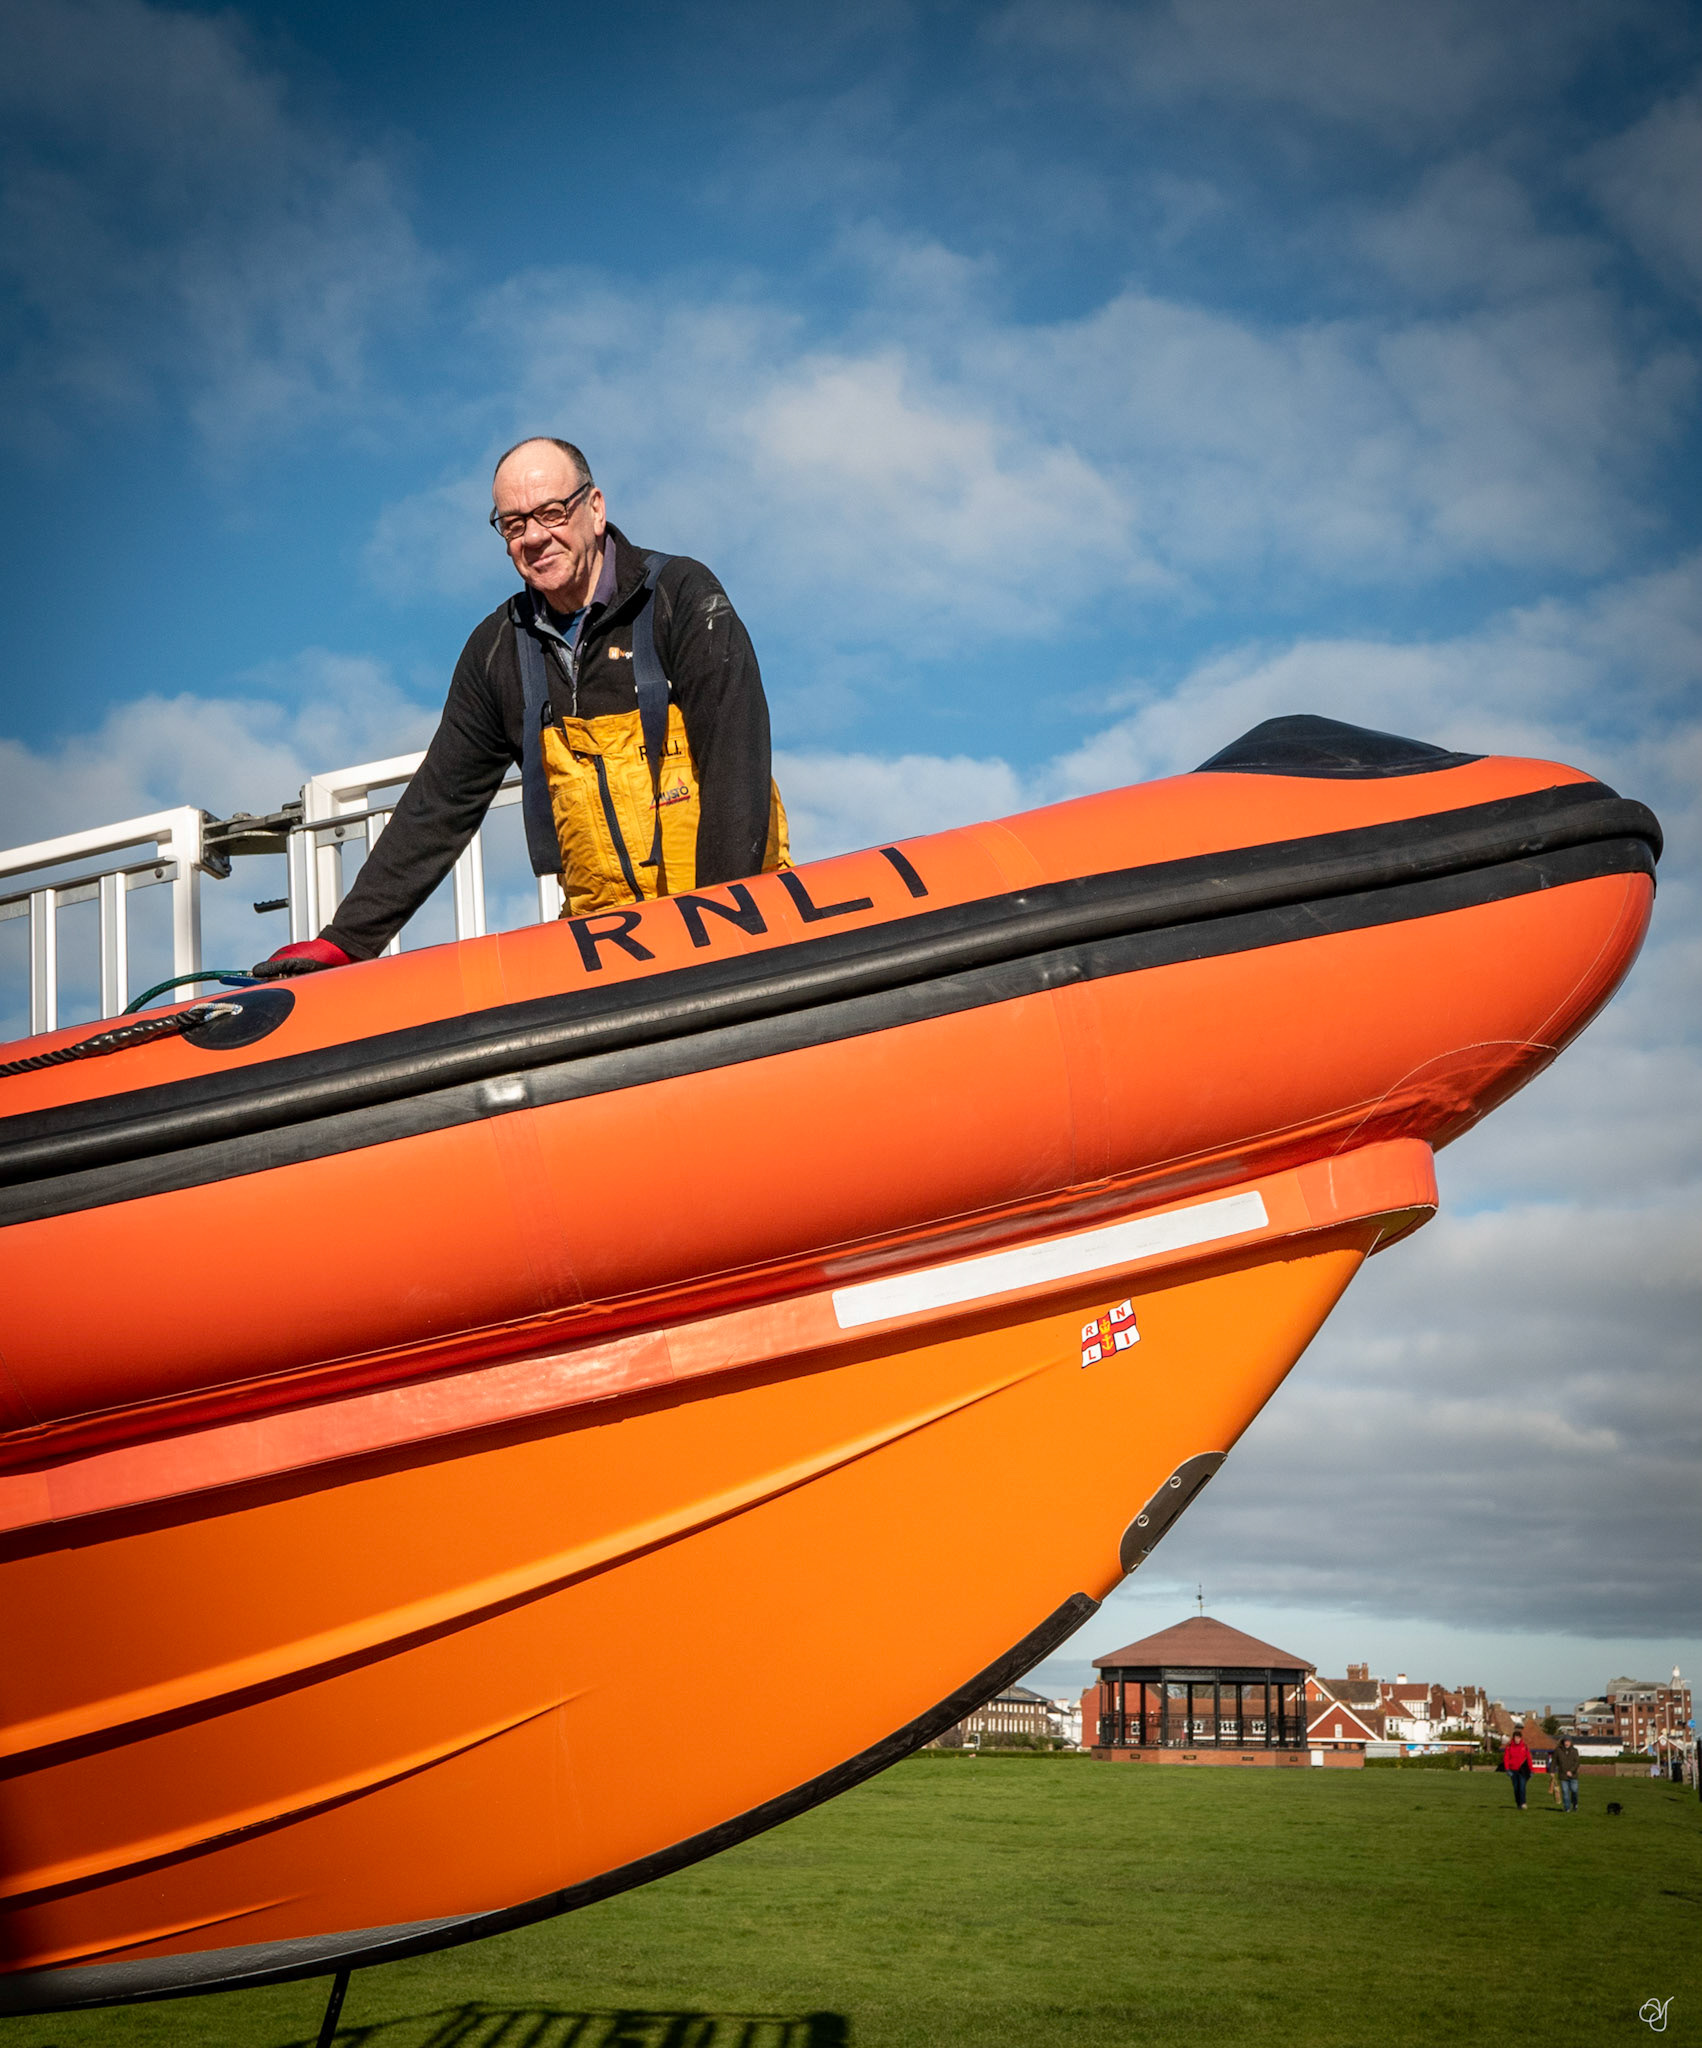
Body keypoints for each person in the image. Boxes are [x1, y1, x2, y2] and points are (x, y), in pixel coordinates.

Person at [262, 437, 787, 969]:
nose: (535, 537)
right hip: (612, 945)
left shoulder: (680, 596)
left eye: (552, 513)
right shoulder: (498, 652)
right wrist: (345, 941)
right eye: (514, 525)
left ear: (596, 508)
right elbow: (438, 806)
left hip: (736, 919)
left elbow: (734, 760)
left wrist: (722, 921)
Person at [1502, 1732, 1533, 1810]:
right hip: (1513, 1770)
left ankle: (1523, 1803)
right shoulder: (1509, 1747)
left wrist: (1531, 1769)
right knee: (1516, 1788)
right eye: (1516, 1738)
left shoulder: (1524, 1746)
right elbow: (1506, 1758)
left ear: (1520, 1738)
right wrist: (1507, 1769)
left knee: (1522, 1787)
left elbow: (1528, 1758)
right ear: (1513, 1738)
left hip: (1522, 1770)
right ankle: (1518, 1803)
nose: (1517, 1740)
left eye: (1518, 1738)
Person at [1553, 1734, 1581, 1812]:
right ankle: (1567, 1807)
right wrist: (1552, 1771)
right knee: (1565, 1792)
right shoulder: (1558, 1750)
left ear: (1571, 1742)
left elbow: (1577, 1763)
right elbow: (1554, 1761)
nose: (1566, 1743)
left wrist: (1571, 1771)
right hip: (1563, 1775)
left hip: (1573, 1775)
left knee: (1574, 1790)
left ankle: (1575, 1804)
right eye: (1565, 1741)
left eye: (1568, 1741)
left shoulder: (1575, 1751)